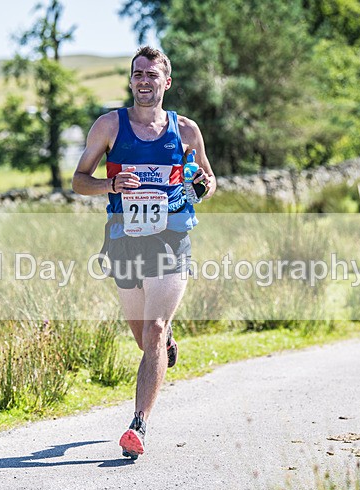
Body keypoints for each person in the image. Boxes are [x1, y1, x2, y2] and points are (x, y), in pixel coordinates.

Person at [72, 46, 216, 459]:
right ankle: (166, 341)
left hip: (172, 238)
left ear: (166, 82)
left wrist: (203, 186)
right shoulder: (109, 126)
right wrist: (110, 186)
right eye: (138, 74)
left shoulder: (186, 130)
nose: (144, 81)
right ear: (131, 79)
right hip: (123, 239)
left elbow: (207, 177)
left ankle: (139, 425)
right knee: (144, 339)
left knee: (151, 327)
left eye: (152, 75)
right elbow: (80, 180)